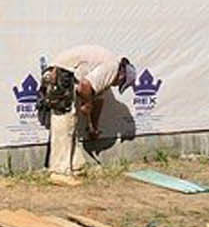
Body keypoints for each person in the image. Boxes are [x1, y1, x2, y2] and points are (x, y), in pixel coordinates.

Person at [40, 45, 137, 175]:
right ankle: (59, 172)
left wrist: (93, 127)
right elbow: (84, 86)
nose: (116, 85)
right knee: (64, 123)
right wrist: (87, 103)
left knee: (71, 123)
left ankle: (74, 166)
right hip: (62, 74)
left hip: (65, 74)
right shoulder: (112, 67)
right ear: (121, 75)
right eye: (119, 84)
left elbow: (97, 102)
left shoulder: (105, 74)